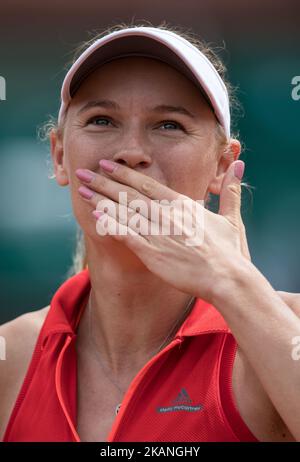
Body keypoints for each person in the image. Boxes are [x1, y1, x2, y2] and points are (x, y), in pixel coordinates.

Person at [1, 23, 300, 443]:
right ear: (60, 156)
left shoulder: (286, 330)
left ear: (221, 166)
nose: (132, 152)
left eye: (169, 125)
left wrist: (233, 282)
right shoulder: (12, 356)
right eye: (102, 120)